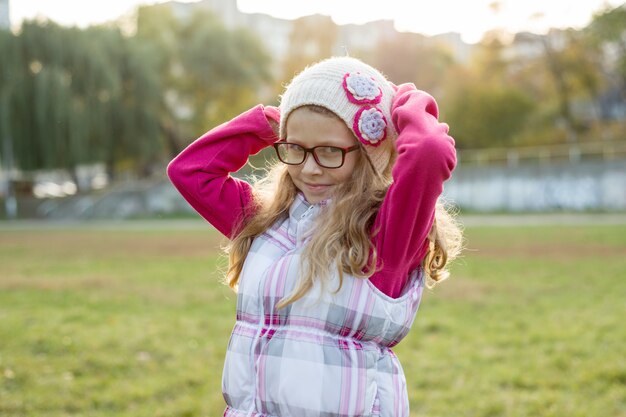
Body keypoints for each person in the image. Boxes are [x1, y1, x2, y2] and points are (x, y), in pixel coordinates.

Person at [167, 56, 462, 417]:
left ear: (369, 153)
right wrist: (271, 120)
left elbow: (429, 153)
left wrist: (404, 102)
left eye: (328, 151)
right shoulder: (264, 220)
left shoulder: (385, 234)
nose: (308, 168)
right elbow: (190, 171)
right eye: (294, 148)